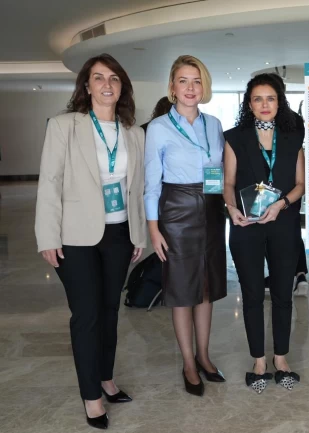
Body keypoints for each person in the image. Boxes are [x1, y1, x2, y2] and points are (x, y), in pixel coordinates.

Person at [35, 53, 146, 430]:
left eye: (114, 78)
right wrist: (47, 236)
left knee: (110, 310)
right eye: (99, 77)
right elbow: (49, 182)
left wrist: (137, 233)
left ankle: (106, 378)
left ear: (122, 86)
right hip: (75, 236)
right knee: (87, 314)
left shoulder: (133, 132)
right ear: (87, 85)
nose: (107, 84)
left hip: (119, 233)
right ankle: (91, 396)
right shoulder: (64, 125)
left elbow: (136, 188)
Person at [144, 55, 227, 397]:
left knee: (207, 288)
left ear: (204, 86)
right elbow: (152, 183)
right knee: (182, 291)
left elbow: (218, 172)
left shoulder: (214, 124)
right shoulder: (159, 127)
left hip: (211, 208)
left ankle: (204, 356)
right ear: (172, 87)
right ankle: (188, 364)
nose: (191, 88)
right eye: (183, 80)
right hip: (176, 211)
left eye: (196, 80)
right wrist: (153, 228)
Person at [223, 73, 305, 394]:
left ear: (279, 102)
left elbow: (300, 184)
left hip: (283, 223)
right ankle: (259, 361)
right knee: (253, 295)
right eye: (257, 99)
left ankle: (280, 358)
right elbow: (228, 183)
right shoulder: (235, 137)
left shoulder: (293, 135)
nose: (264, 104)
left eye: (270, 98)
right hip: (246, 224)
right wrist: (231, 208)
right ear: (249, 104)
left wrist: (282, 204)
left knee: (283, 294)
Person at [263, 73, 309, 296]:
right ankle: (298, 274)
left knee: (276, 233)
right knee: (290, 233)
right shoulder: (295, 119)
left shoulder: (286, 120)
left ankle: (284, 276)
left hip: (278, 187)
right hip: (290, 187)